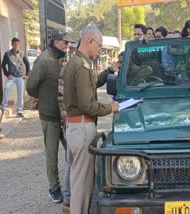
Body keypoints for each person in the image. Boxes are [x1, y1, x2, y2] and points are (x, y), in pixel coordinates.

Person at [63, 24, 119, 214]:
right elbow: (88, 104)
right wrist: (109, 107)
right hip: (82, 125)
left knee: (82, 180)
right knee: (81, 184)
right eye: (99, 46)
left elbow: (90, 85)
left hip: (78, 125)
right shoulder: (81, 65)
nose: (99, 50)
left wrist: (108, 71)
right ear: (89, 41)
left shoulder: (77, 62)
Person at [26, 29, 70, 203]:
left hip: (64, 116)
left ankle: (71, 184)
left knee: (72, 151)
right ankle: (54, 188)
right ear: (56, 42)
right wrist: (43, 99)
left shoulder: (61, 60)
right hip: (49, 116)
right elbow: (31, 87)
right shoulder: (44, 60)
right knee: (52, 154)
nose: (67, 46)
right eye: (65, 43)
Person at [1, 38, 30, 118]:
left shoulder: (22, 53)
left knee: (20, 95)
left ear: (19, 45)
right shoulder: (7, 54)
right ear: (12, 45)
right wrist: (7, 74)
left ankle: (20, 111)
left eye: (18, 44)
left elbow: (27, 63)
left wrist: (27, 74)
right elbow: (3, 65)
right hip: (12, 77)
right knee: (6, 88)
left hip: (21, 77)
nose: (16, 46)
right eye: (15, 44)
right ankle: (4, 107)